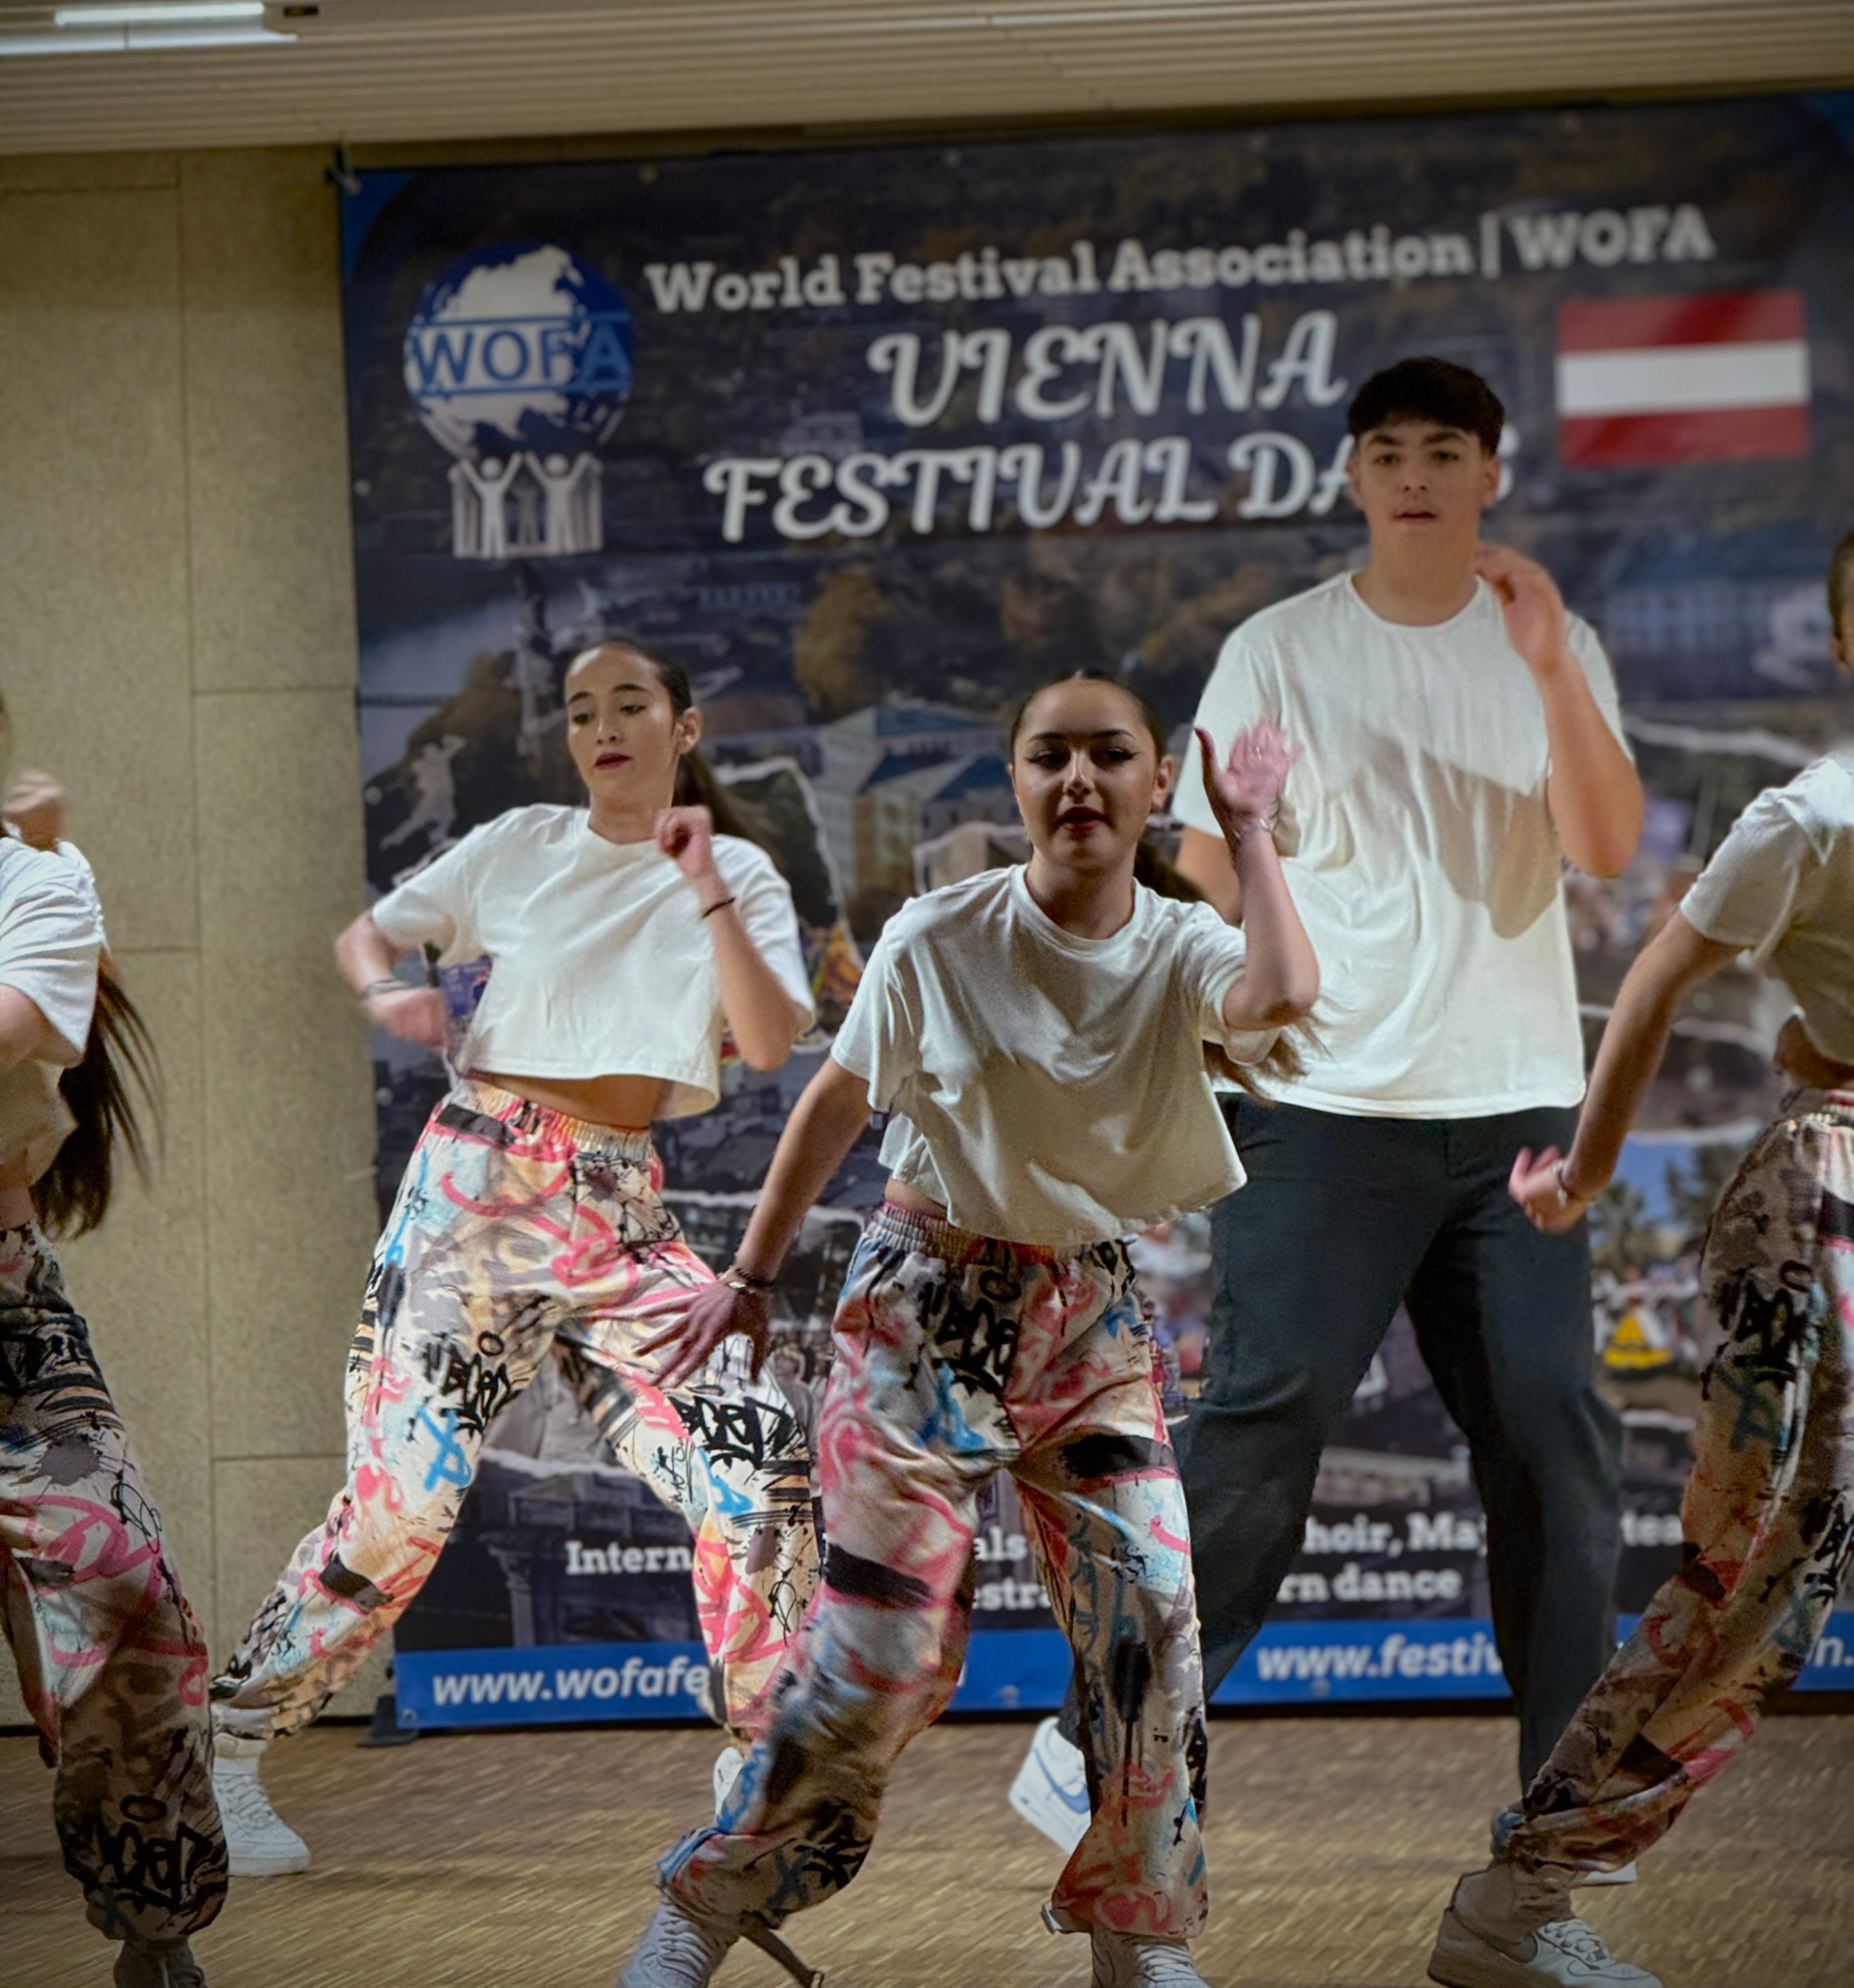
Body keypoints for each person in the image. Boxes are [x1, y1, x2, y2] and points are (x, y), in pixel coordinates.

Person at [1013, 357, 1644, 1852]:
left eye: (1445, 450)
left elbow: (1610, 849)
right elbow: (1208, 872)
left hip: (1518, 1116)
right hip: (1323, 1104)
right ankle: (1103, 1735)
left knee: (1556, 1447)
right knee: (1263, 1418)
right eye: (1388, 451)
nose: (1415, 473)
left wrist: (1551, 667)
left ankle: (1561, 1814)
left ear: (1492, 474)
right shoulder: (1280, 648)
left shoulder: (1556, 644)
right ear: (1355, 477)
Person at [613, 669, 1320, 1988]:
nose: (1080, 779)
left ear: (1157, 781)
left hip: (1089, 1323)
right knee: (882, 1660)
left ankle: (1138, 1928)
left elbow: (1280, 996)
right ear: (1015, 781)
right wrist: (751, 1274)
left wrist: (1253, 832)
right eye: (1051, 755)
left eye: (1111, 754)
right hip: (923, 1314)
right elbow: (835, 1100)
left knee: (1153, 1629)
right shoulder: (940, 934)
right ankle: (707, 1903)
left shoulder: (1181, 943)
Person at [208, 639, 822, 1875]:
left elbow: (767, 1042)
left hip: (620, 1203)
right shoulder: (518, 844)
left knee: (760, 1461)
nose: (603, 728)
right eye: (582, 711)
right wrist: (388, 997)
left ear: (684, 727)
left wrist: (704, 881)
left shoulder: (738, 870)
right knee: (402, 1507)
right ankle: (223, 1743)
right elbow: (367, 938)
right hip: (477, 1190)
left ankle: (757, 1764)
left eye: (630, 705)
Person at [1427, 528, 1854, 1988]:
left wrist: (1817, 1035)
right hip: (1826, 1208)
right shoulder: (1810, 815)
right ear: (1844, 642)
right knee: (1759, 1577)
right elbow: (1658, 979)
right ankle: (1524, 1891)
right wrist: (1590, 1170)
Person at [1, 727, 227, 1987]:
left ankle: (154, 1925)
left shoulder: (36, 882)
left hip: (12, 1320)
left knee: (126, 1590)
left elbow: (19, 1022)